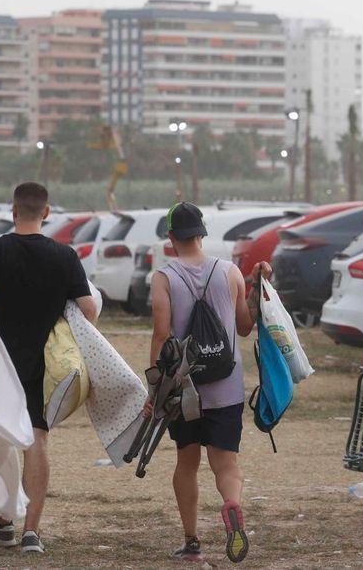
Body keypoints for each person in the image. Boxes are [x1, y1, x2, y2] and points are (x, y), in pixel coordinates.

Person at [0, 182, 99, 554]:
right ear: (46, 213)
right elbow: (89, 309)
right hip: (45, 363)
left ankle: (3, 519)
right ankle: (31, 531)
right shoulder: (65, 257)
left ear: (13, 211)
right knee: (37, 440)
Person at [148, 202, 270, 564]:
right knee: (226, 464)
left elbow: (161, 335)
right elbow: (245, 327)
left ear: (171, 238)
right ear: (202, 233)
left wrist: (155, 390)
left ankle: (192, 540)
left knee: (187, 462)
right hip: (226, 387)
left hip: (185, 391)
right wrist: (256, 286)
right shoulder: (230, 271)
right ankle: (232, 505)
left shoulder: (164, 277)